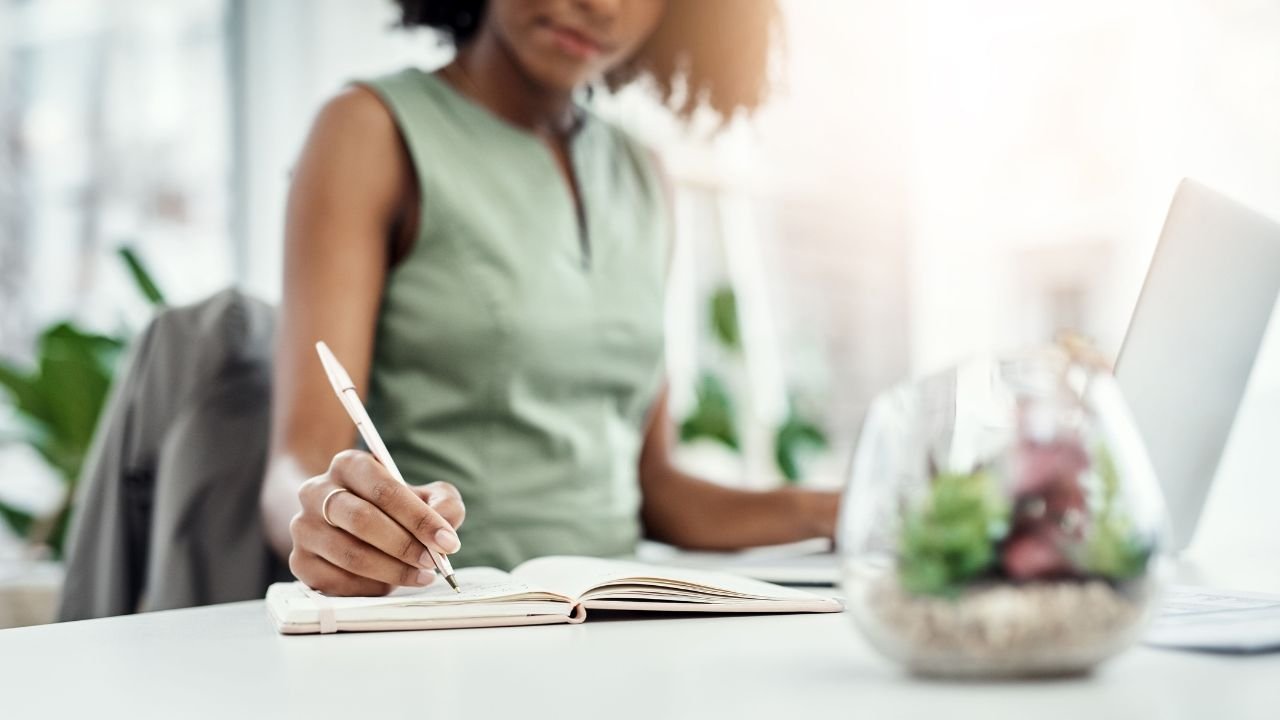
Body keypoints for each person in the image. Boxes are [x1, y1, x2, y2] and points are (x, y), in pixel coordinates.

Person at [259, 0, 839, 597]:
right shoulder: (367, 130)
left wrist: (833, 510)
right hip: (448, 615)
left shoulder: (642, 175)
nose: (603, 5)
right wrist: (327, 515)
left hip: (618, 613)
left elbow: (656, 489)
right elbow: (294, 470)